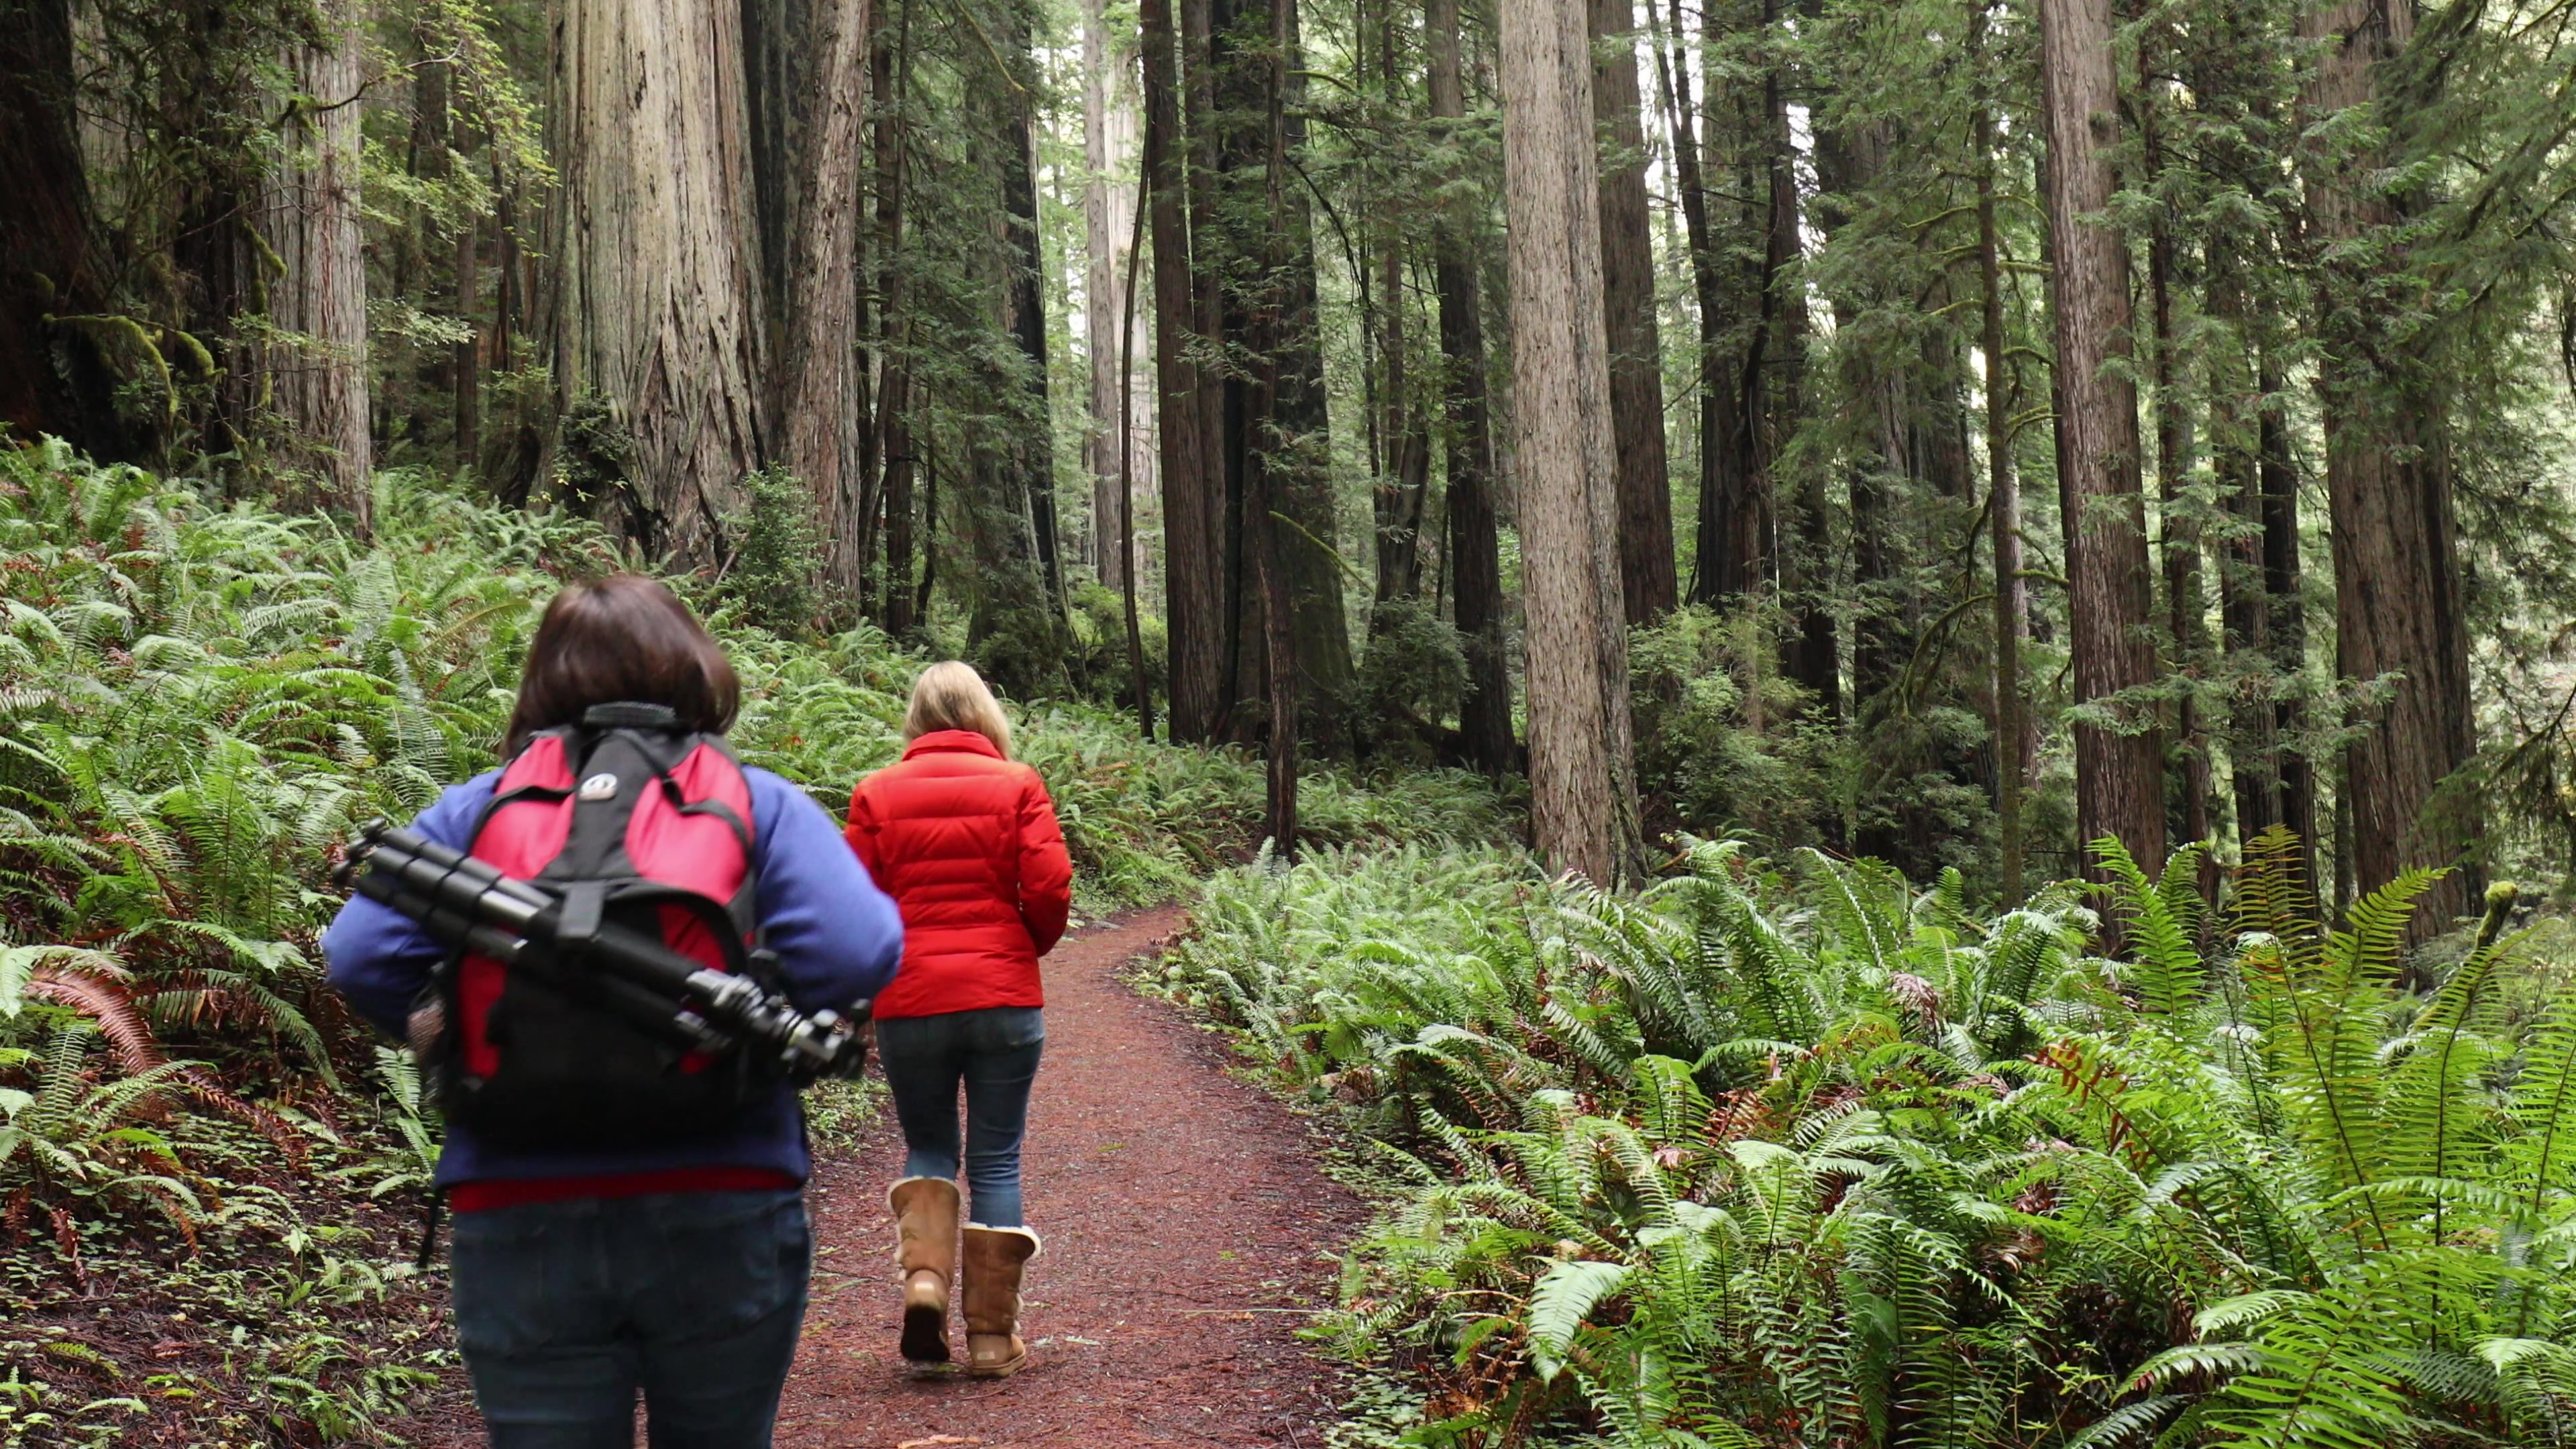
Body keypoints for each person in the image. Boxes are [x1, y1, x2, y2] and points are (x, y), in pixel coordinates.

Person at [323, 576, 903, 1448]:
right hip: (724, 1188)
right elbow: (861, 950)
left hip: (517, 1196)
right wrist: (757, 1007)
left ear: (542, 684)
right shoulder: (757, 801)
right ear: (696, 671)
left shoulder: (478, 809)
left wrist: (444, 1026)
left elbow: (360, 954)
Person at [843, 661, 1073, 1377]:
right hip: (1003, 996)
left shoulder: (876, 791)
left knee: (930, 1149)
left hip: (911, 999)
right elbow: (1049, 884)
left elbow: (857, 901)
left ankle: (924, 1285)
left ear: (915, 716)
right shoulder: (1018, 783)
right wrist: (1018, 948)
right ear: (984, 712)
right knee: (997, 1157)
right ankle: (990, 1340)